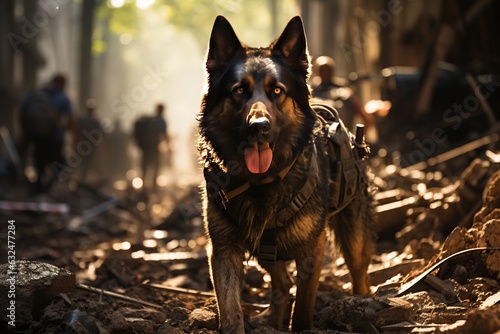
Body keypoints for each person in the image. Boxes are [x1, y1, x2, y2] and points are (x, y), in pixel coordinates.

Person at [19, 74, 76, 193]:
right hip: (53, 136)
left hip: (35, 135)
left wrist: (26, 132)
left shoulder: (35, 94)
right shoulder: (62, 97)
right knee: (59, 162)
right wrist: (75, 137)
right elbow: (70, 119)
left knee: (39, 159)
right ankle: (47, 185)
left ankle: (39, 184)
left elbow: (22, 110)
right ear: (62, 83)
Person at [312, 56, 373, 132]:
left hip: (341, 138)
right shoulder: (311, 93)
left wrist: (359, 140)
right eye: (323, 70)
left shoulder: (345, 93)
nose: (325, 73)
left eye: (327, 70)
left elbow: (366, 119)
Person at [133, 103, 169, 190]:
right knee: (155, 165)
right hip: (154, 147)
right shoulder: (161, 121)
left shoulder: (149, 121)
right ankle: (153, 185)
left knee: (145, 165)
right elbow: (164, 135)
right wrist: (168, 146)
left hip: (146, 147)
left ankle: (144, 185)